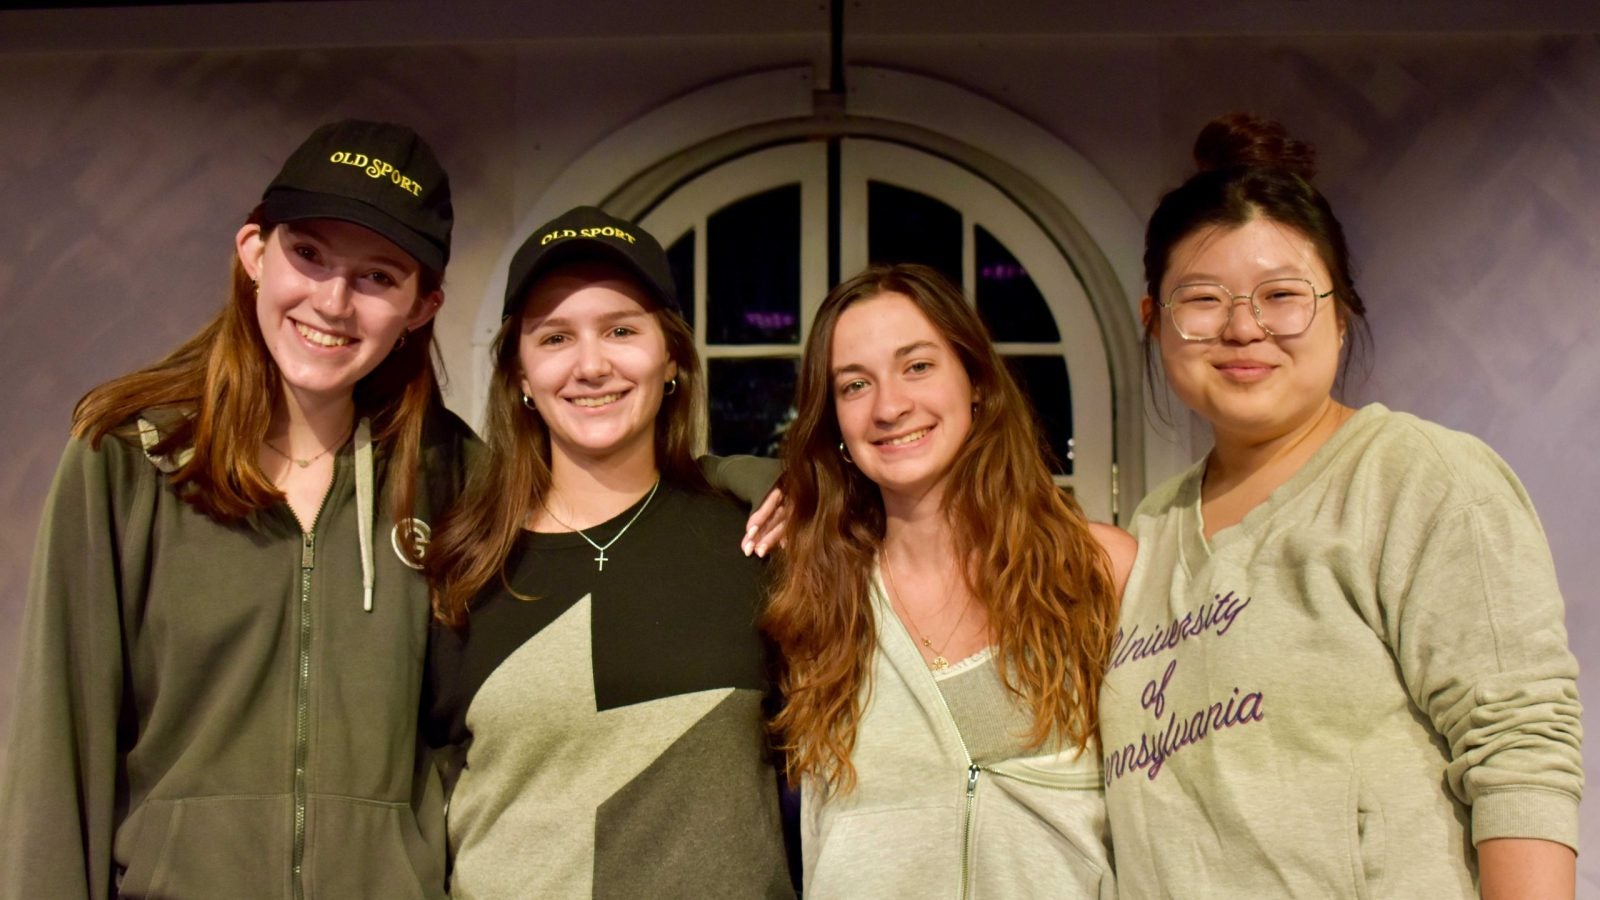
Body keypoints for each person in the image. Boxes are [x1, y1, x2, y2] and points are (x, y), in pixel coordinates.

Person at [1099, 114, 1582, 898]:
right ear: (1155, 322)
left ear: (1340, 308)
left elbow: (1520, 750)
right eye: (1203, 300)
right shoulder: (1152, 528)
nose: (1243, 327)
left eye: (1282, 296)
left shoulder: (1417, 478)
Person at [0, 119, 472, 898]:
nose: (333, 301)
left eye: (379, 277)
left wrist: (738, 479)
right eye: (309, 255)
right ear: (255, 252)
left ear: (422, 306)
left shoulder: (455, 475)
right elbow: (61, 747)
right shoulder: (127, 460)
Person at [422, 206, 793, 898]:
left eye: (621, 330)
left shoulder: (753, 538)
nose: (592, 365)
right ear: (521, 376)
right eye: (555, 337)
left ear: (671, 356)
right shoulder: (463, 562)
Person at [761, 263, 1136, 898]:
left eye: (918, 366)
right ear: (836, 425)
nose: (889, 406)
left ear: (977, 382)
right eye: (855, 385)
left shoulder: (1097, 567)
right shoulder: (815, 600)